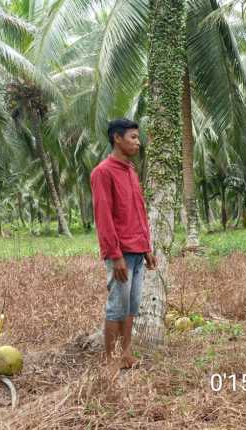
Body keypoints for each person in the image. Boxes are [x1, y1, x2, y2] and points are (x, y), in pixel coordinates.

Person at [90, 118, 157, 370]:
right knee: (117, 306)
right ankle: (109, 360)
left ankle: (126, 353)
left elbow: (138, 211)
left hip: (138, 249)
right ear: (117, 138)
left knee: (131, 306)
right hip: (121, 252)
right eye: (133, 137)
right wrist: (114, 254)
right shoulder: (102, 172)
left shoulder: (130, 171)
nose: (138, 143)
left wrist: (147, 247)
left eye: (138, 138)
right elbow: (104, 217)